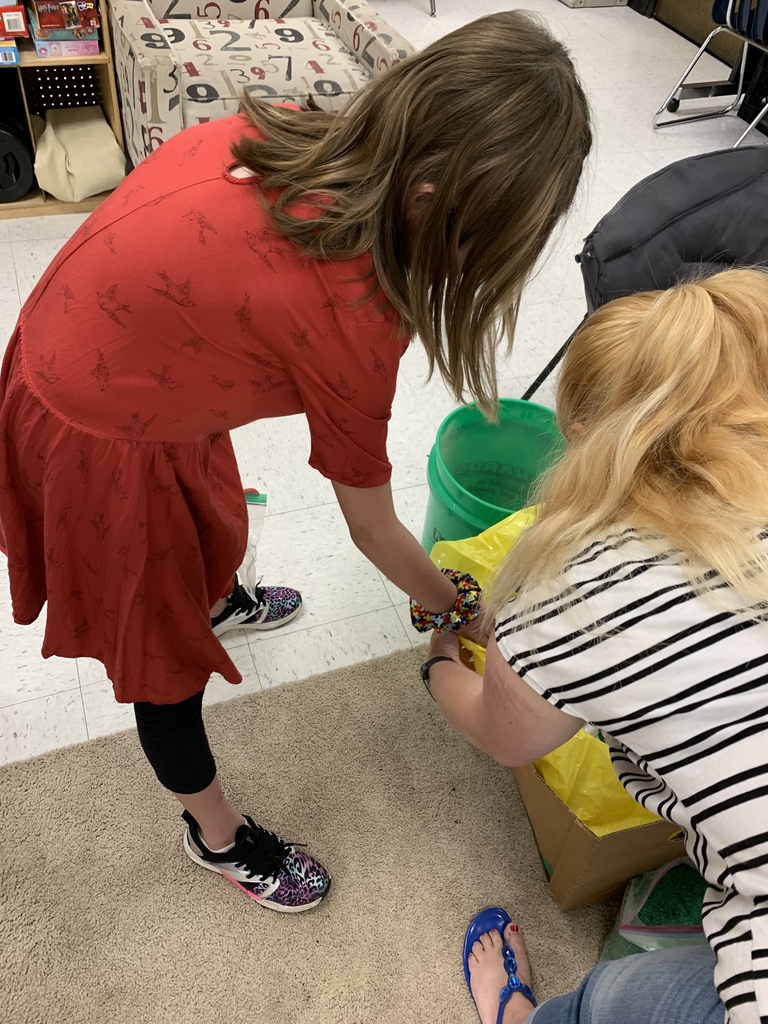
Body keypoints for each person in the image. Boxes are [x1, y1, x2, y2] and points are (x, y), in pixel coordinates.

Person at [0, 11, 591, 913]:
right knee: (164, 664)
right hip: (94, 428)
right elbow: (368, 524)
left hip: (118, 361)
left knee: (208, 516)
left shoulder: (275, 128)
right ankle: (215, 834)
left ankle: (215, 597)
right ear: (449, 207)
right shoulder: (354, 310)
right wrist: (452, 606)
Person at [423, 268, 768, 1023]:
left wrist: (440, 664)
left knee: (610, 1002)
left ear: (580, 437)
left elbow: (502, 733)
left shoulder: (580, 591)